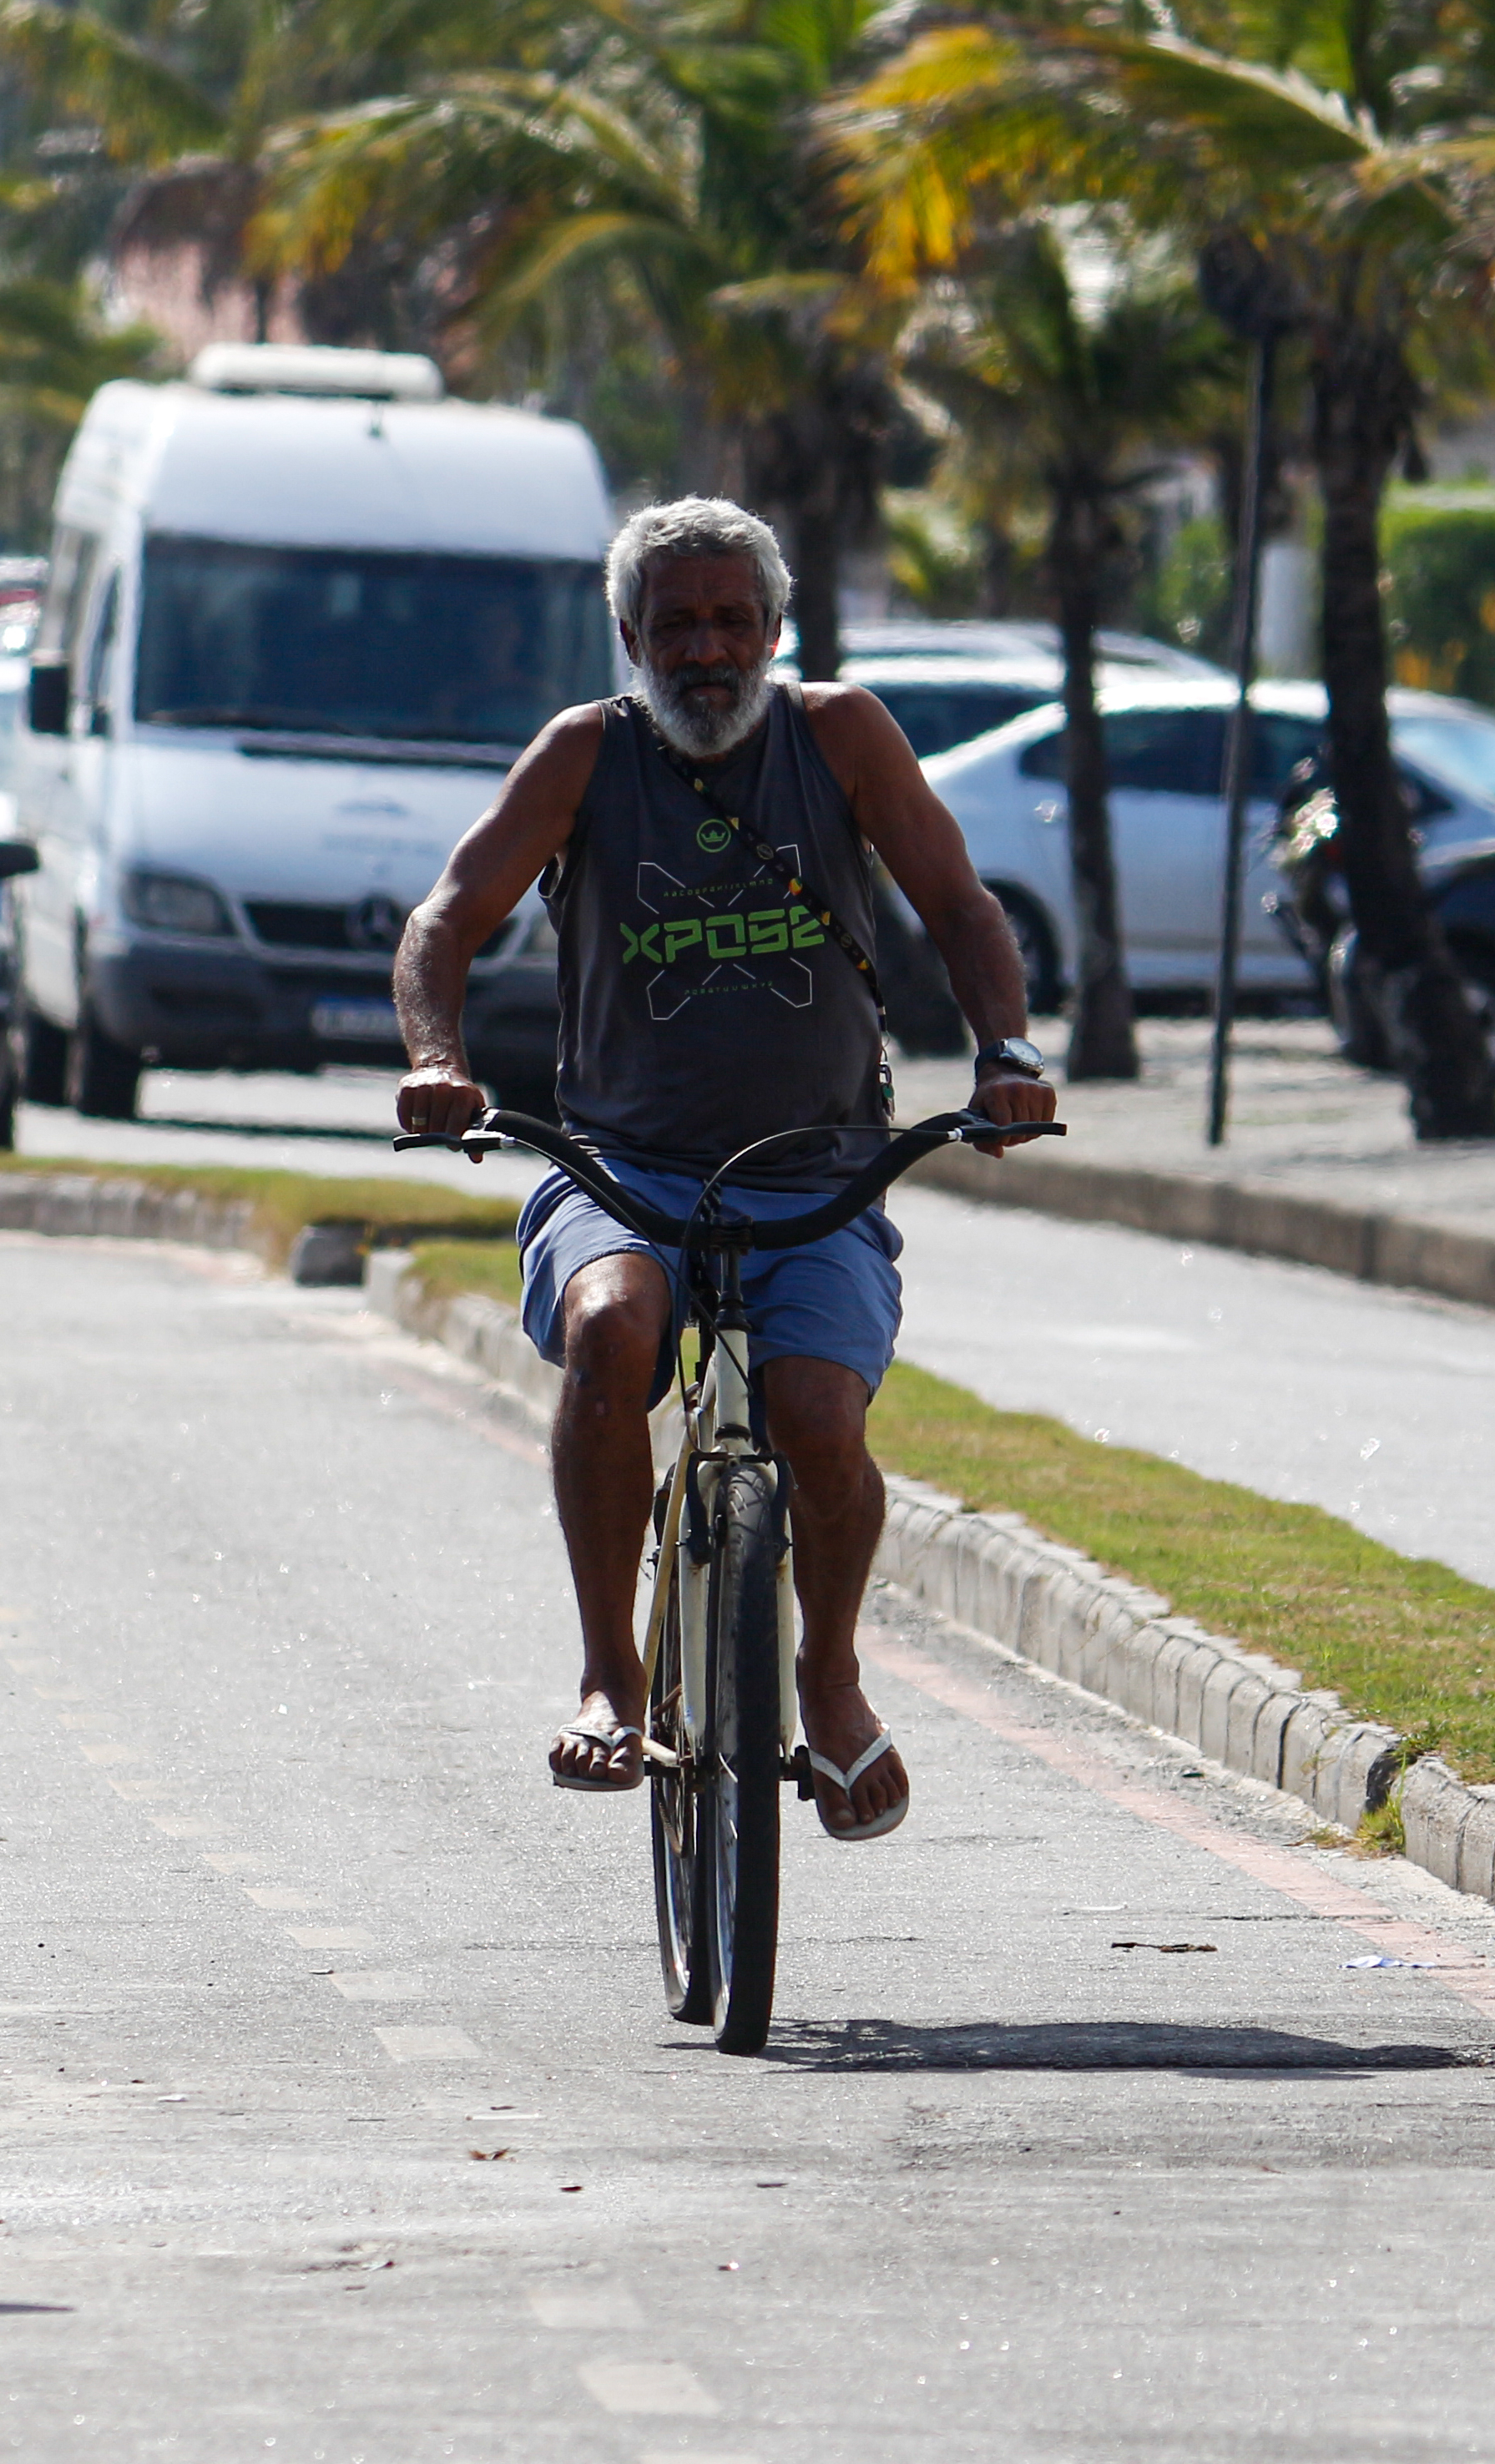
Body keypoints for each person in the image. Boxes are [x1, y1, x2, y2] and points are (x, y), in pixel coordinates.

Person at [391, 497, 1060, 1840]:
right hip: (621, 1169)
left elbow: (960, 904)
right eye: (675, 624)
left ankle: (828, 1672)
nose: (705, 649)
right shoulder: (583, 756)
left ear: (773, 630)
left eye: (730, 622)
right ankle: (607, 1678)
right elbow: (446, 918)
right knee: (613, 1333)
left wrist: (1005, 1051)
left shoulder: (842, 736)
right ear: (628, 636)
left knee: (820, 1419)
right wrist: (434, 1057)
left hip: (817, 1171)